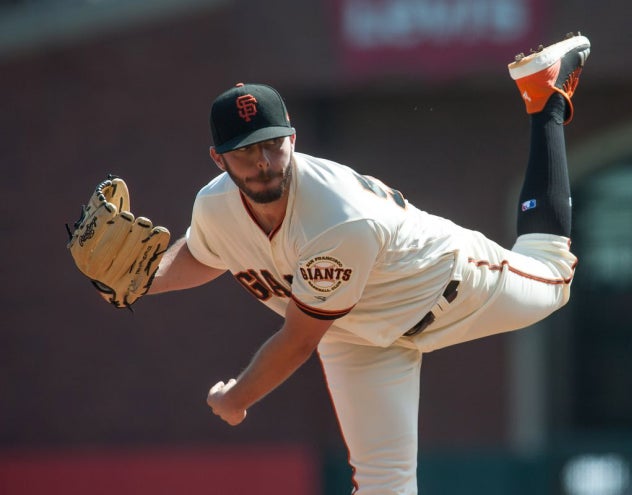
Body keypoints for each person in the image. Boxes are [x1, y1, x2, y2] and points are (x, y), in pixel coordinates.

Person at [148, 33, 590, 494]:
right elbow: (203, 255)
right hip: (353, 332)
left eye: (273, 144)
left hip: (446, 285)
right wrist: (142, 281)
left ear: (292, 139)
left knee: (554, 275)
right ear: (218, 159)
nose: (262, 162)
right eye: (244, 151)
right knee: (383, 487)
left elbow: (298, 340)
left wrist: (238, 398)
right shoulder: (214, 206)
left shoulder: (336, 219)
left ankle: (544, 99)